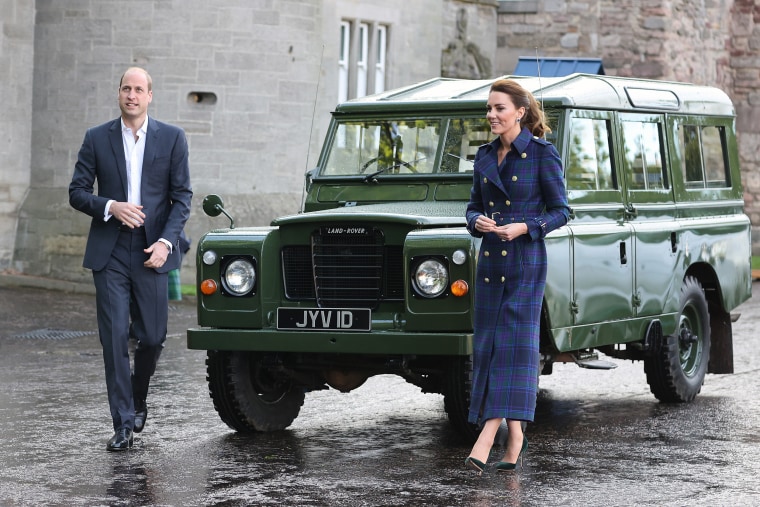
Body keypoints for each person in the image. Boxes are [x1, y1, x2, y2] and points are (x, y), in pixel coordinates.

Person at [69, 67, 192, 451]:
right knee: (115, 337)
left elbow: (182, 196)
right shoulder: (96, 138)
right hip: (110, 250)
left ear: (150, 96)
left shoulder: (172, 138)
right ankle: (122, 423)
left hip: (152, 249)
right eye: (126, 88)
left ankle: (139, 398)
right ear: (119, 93)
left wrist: (165, 243)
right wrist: (110, 206)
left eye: (139, 89)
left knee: (153, 337)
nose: (132, 95)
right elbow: (76, 192)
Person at [463, 78, 569, 473]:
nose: (491, 115)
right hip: (491, 265)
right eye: (489, 109)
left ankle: (487, 435)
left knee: (514, 349)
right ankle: (517, 439)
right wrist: (479, 222)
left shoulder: (543, 154)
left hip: (526, 263)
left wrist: (525, 227)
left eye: (499, 109)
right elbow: (472, 207)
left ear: (520, 113)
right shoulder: (485, 155)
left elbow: (561, 211)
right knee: (492, 348)